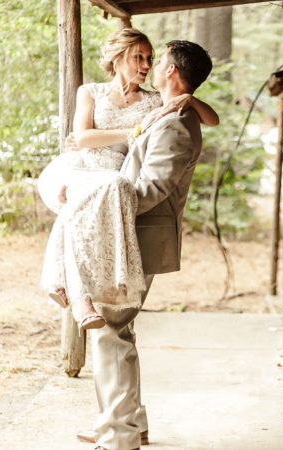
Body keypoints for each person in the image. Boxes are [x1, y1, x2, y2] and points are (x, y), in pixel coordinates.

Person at [75, 40, 214, 450]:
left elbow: (150, 189)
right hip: (130, 232)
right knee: (121, 328)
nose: (152, 67)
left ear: (171, 71)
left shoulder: (175, 124)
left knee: (111, 330)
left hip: (138, 234)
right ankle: (131, 423)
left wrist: (98, 202)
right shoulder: (168, 114)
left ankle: (118, 436)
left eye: (159, 61)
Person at [38, 28, 218, 331]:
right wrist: (134, 131)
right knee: (73, 200)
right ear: (119, 58)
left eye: (151, 58)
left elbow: (211, 119)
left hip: (119, 179)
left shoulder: (156, 101)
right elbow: (82, 137)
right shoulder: (91, 92)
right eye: (140, 57)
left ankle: (66, 287)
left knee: (87, 200)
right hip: (86, 168)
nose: (147, 64)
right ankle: (70, 289)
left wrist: (189, 97)